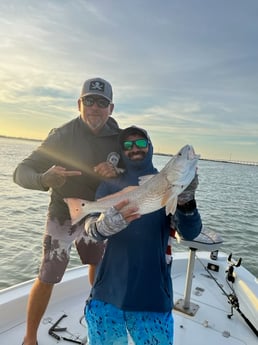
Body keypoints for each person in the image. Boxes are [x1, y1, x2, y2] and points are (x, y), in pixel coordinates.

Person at [13, 77, 124, 345]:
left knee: (98, 266)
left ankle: (97, 320)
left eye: (101, 102)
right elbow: (20, 172)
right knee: (48, 274)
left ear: (111, 108)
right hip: (63, 213)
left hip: (97, 214)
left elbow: (137, 174)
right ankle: (30, 338)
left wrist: (117, 171)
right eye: (89, 100)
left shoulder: (120, 137)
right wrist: (44, 179)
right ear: (79, 104)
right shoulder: (61, 136)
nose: (95, 107)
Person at [83, 126, 202, 345]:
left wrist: (186, 202)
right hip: (106, 294)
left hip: (153, 296)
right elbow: (90, 228)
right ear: (121, 150)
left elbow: (190, 232)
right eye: (128, 145)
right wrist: (102, 226)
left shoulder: (166, 185)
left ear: (150, 146)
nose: (135, 148)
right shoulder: (109, 185)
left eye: (140, 143)